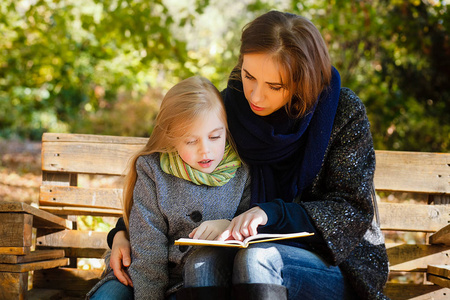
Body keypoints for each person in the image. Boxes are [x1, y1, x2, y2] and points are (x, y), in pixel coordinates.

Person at [107, 10, 390, 300]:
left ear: (302, 81)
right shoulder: (229, 109)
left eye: (274, 86)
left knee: (258, 259)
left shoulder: (342, 113)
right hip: (240, 258)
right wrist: (122, 232)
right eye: (249, 76)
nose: (254, 96)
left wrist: (272, 213)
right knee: (216, 261)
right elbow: (178, 170)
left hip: (331, 263)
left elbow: (351, 209)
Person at [86, 76, 251, 299]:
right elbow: (148, 248)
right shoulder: (153, 170)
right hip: (139, 275)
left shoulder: (241, 171)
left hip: (199, 283)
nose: (206, 151)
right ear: (171, 138)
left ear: (226, 131)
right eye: (191, 141)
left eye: (214, 136)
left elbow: (251, 229)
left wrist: (229, 226)